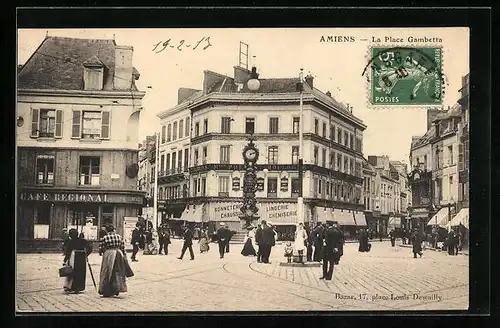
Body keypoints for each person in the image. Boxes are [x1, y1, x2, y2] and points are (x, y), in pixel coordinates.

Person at [98, 224, 132, 298]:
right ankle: (117, 288)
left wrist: (102, 253)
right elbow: (123, 248)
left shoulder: (105, 237)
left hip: (108, 254)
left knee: (106, 271)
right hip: (118, 253)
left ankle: (106, 289)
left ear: (107, 230)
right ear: (113, 229)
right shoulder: (119, 236)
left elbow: (101, 248)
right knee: (118, 271)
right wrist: (124, 256)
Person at [62, 228, 92, 293]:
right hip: (81, 257)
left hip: (73, 257)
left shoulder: (70, 242)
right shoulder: (83, 241)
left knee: (72, 271)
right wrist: (86, 254)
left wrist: (65, 260)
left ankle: (71, 286)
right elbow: (90, 247)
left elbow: (68, 252)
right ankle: (79, 287)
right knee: (81, 272)